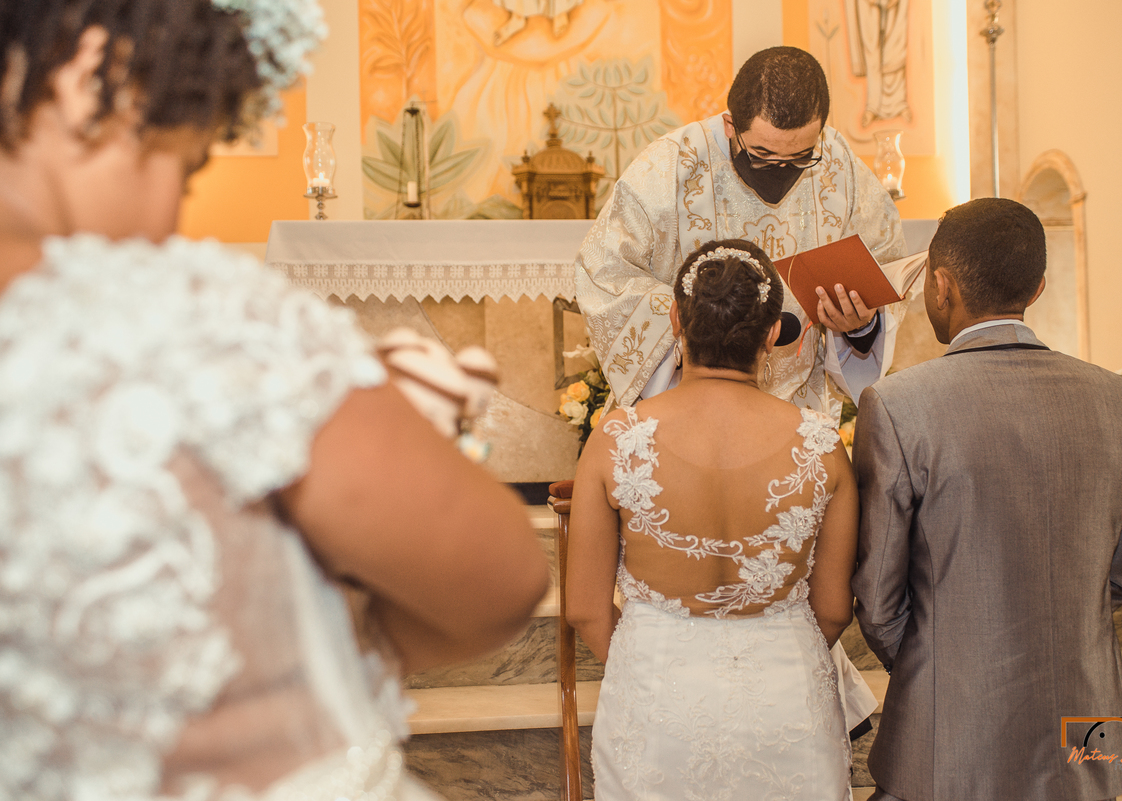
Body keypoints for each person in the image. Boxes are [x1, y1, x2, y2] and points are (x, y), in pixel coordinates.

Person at [0, 2, 549, 799]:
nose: (171, 221)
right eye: (186, 169)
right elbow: (500, 579)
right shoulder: (191, 318)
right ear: (90, 77)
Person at [575, 43, 899, 736]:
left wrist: (861, 324)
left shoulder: (843, 168)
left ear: (823, 132)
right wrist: (714, 325)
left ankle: (783, 695)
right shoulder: (669, 168)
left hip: (796, 414)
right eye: (763, 155)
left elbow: (882, 273)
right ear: (730, 125)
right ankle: (792, 700)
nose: (782, 173)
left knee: (785, 580)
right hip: (685, 422)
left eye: (800, 157)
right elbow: (604, 277)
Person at [852, 198, 1122, 801]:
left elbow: (878, 601)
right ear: (1037, 288)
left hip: (950, 732)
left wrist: (944, 663)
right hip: (1086, 729)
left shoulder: (899, 404)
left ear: (941, 286)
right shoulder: (1116, 397)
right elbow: (1121, 577)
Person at [567, 239, 860, 800]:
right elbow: (832, 609)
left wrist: (646, 662)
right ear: (772, 334)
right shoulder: (821, 445)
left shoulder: (617, 439)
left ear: (676, 320)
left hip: (657, 700)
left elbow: (584, 607)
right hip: (785, 700)